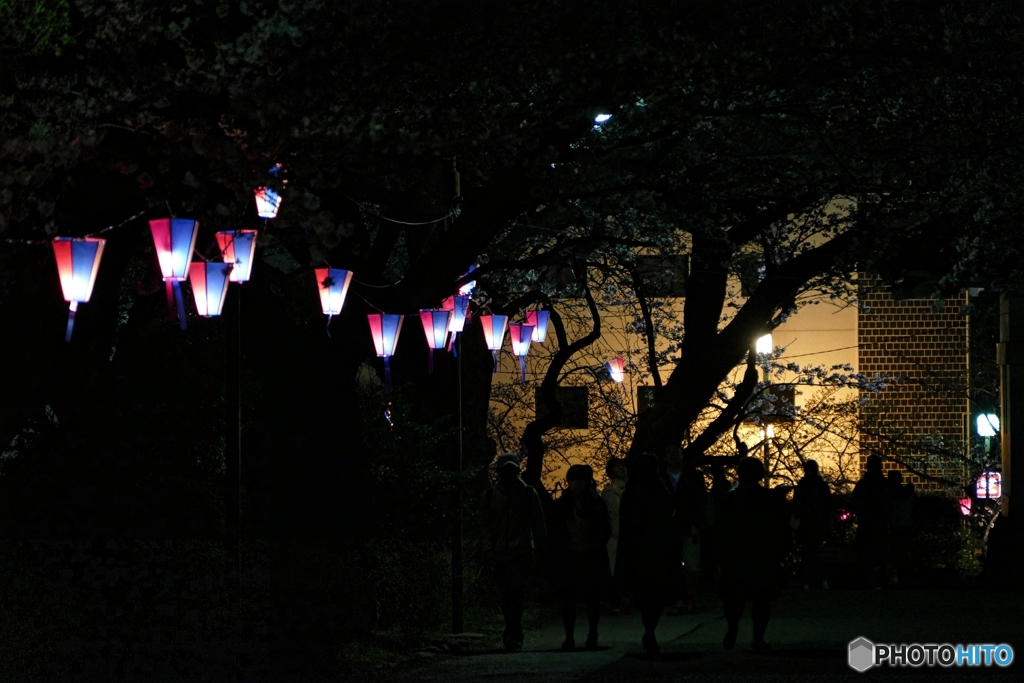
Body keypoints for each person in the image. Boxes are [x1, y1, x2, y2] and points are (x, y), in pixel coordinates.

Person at [717, 457, 790, 653]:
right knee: (762, 600)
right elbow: (781, 528)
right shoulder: (771, 500)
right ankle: (758, 638)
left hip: (735, 555)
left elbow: (720, 531)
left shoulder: (728, 500)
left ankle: (732, 628)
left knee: (734, 598)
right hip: (762, 555)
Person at [479, 452, 547, 651]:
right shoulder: (491, 496)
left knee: (514, 593)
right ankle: (513, 631)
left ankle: (513, 631)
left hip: (520, 552)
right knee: (508, 594)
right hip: (502, 552)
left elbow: (538, 524)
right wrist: (489, 549)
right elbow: (484, 525)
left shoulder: (525, 494)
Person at [616, 452, 680, 654]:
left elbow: (626, 523)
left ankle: (649, 631)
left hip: (639, 548)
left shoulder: (632, 492)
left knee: (645, 593)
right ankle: (650, 631)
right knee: (656, 593)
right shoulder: (660, 490)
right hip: (657, 548)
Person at [549, 464, 611, 650]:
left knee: (592, 599)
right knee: (569, 601)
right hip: (570, 556)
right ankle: (570, 637)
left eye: (580, 480)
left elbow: (605, 529)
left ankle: (592, 634)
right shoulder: (563, 504)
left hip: (590, 556)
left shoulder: (596, 503)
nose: (576, 484)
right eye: (573, 480)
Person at [663, 445, 707, 613]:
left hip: (689, 527)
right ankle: (677, 599)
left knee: (691, 566)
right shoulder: (661, 477)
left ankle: (689, 597)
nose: (673, 456)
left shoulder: (693, 476)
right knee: (672, 566)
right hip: (669, 528)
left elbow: (701, 501)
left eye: (676, 452)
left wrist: (697, 524)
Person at [792, 460, 833, 589]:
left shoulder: (803, 485)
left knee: (808, 551)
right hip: (818, 524)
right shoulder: (821, 486)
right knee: (813, 551)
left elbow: (797, 506)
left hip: (806, 524)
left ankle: (807, 579)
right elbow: (828, 506)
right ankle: (817, 579)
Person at [851, 454, 888, 588]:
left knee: (867, 555)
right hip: (879, 525)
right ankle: (878, 579)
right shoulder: (883, 485)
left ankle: (867, 579)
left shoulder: (863, 485)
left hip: (867, 525)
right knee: (879, 554)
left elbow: (856, 503)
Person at [600, 457, 628, 615]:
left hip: (627, 535)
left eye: (622, 466)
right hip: (616, 536)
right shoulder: (609, 493)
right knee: (616, 570)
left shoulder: (630, 489)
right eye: (617, 467)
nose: (622, 468)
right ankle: (616, 602)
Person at [886, 469, 916, 586]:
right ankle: (906, 578)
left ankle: (901, 578)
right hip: (906, 526)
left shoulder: (889, 494)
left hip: (896, 528)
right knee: (903, 554)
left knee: (898, 554)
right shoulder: (908, 494)